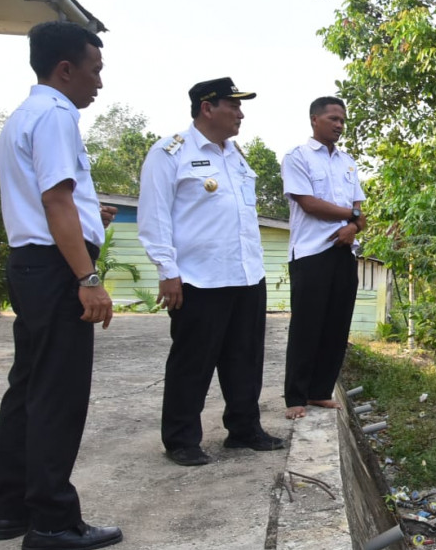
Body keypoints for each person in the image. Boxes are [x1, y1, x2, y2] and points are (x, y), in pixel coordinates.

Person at [0, 21, 123, 550]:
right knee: (57, 393)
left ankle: (9, 507)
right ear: (65, 69)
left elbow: (48, 200)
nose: (99, 82)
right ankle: (52, 520)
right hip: (55, 270)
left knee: (27, 388)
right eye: (94, 71)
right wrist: (88, 279)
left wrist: (94, 216)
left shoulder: (22, 116)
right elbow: (55, 202)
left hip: (29, 263)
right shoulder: (55, 116)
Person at [138, 77, 284, 466]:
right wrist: (167, 271)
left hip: (247, 275)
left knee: (245, 358)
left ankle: (244, 428)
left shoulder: (235, 155)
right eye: (232, 105)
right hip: (198, 279)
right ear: (207, 107)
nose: (240, 113)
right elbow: (154, 217)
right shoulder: (170, 153)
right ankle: (182, 439)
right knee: (193, 361)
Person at [280, 97, 366, 419]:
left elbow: (362, 215)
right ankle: (296, 398)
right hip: (310, 253)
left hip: (343, 252)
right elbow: (309, 204)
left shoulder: (348, 162)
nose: (339, 124)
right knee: (306, 325)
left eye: (343, 119)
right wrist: (351, 216)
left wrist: (352, 228)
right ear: (314, 119)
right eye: (333, 118)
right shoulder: (297, 157)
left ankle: (320, 391)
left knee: (337, 325)